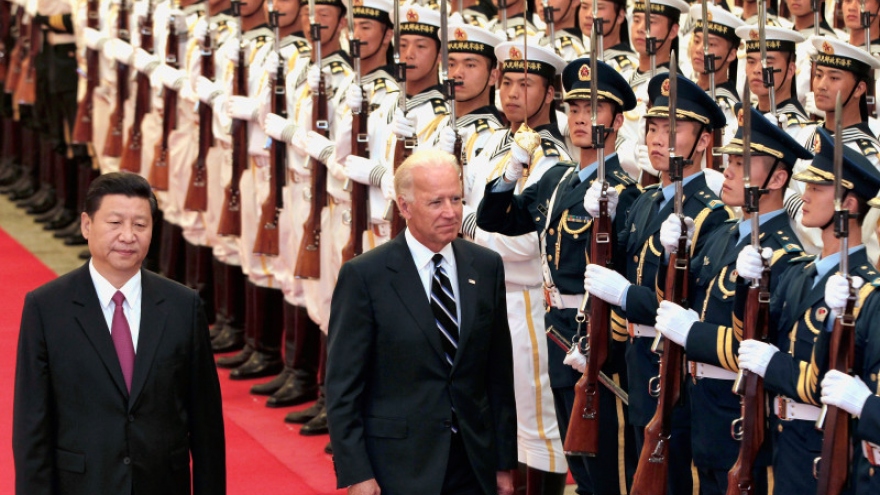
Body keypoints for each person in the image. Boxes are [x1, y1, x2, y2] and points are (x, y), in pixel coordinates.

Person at [12, 171, 226, 495]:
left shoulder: (183, 306)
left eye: (140, 225)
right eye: (115, 223)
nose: (128, 236)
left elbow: (207, 426)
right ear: (86, 225)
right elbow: (31, 426)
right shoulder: (46, 308)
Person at [326, 149, 517, 495]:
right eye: (436, 202)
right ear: (404, 206)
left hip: (472, 463)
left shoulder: (486, 266)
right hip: (399, 467)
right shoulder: (365, 276)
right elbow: (343, 386)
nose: (451, 212)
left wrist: (504, 462)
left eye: (456, 199)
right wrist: (356, 472)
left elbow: (498, 375)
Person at [736, 128, 880, 495]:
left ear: (848, 205)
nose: (805, 196)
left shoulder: (868, 292)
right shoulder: (798, 274)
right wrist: (746, 286)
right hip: (786, 442)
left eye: (817, 188)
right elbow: (753, 337)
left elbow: (833, 379)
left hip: (827, 448)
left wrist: (774, 365)